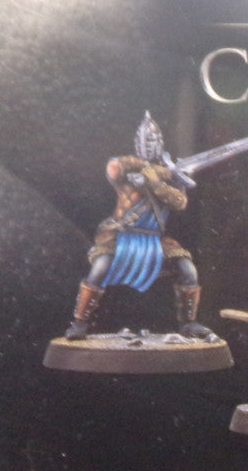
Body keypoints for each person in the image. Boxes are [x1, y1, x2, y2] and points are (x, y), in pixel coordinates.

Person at [64, 112, 210, 340]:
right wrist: (149, 169)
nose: (150, 146)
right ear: (138, 143)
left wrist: (156, 180)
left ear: (160, 144)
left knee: (187, 270)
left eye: (154, 141)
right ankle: (79, 324)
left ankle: (189, 324)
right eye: (146, 142)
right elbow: (114, 167)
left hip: (153, 239)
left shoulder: (169, 177)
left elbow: (179, 202)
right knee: (99, 269)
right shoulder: (127, 169)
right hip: (122, 236)